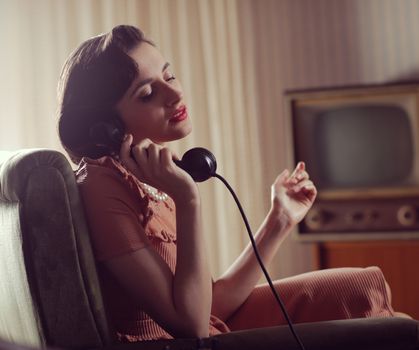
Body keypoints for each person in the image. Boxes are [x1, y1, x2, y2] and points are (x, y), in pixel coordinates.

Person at [57, 25, 397, 342]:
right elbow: (191, 325)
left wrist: (279, 220)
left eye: (169, 75)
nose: (174, 93)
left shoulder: (148, 175)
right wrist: (188, 198)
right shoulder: (102, 189)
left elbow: (210, 305)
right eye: (147, 93)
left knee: (360, 286)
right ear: (106, 126)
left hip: (207, 332)